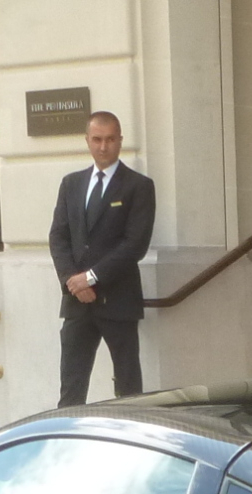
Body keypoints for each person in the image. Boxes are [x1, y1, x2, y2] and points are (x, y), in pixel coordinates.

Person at [50, 111, 157, 407]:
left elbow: (135, 244)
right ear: (87, 141)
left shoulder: (138, 186)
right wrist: (72, 280)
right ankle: (68, 442)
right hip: (77, 303)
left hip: (118, 301)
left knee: (128, 389)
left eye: (110, 139)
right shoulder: (71, 184)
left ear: (120, 141)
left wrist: (92, 277)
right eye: (97, 139)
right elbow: (58, 237)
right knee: (71, 387)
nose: (103, 146)